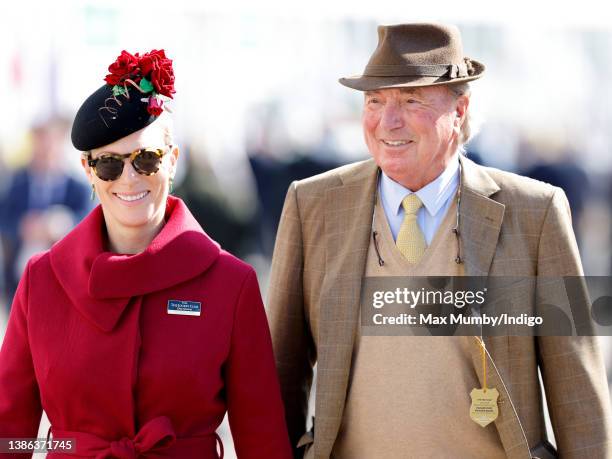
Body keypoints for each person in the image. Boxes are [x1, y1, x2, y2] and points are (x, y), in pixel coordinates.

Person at [267, 24, 612, 458]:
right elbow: (279, 369)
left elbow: (578, 390)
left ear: (460, 110)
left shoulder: (537, 212)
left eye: (411, 100)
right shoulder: (312, 204)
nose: (388, 121)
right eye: (375, 101)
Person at [0, 49, 292, 459]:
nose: (130, 178)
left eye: (146, 158)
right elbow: (9, 432)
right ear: (88, 171)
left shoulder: (231, 284)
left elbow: (262, 438)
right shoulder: (42, 280)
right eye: (109, 165)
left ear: (172, 160)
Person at [0, 116, 90, 305]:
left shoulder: (78, 186)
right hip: (19, 277)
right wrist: (22, 226)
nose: (46, 150)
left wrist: (62, 224)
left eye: (51, 144)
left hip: (63, 276)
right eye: (41, 143)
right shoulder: (16, 182)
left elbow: (88, 220)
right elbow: (4, 219)